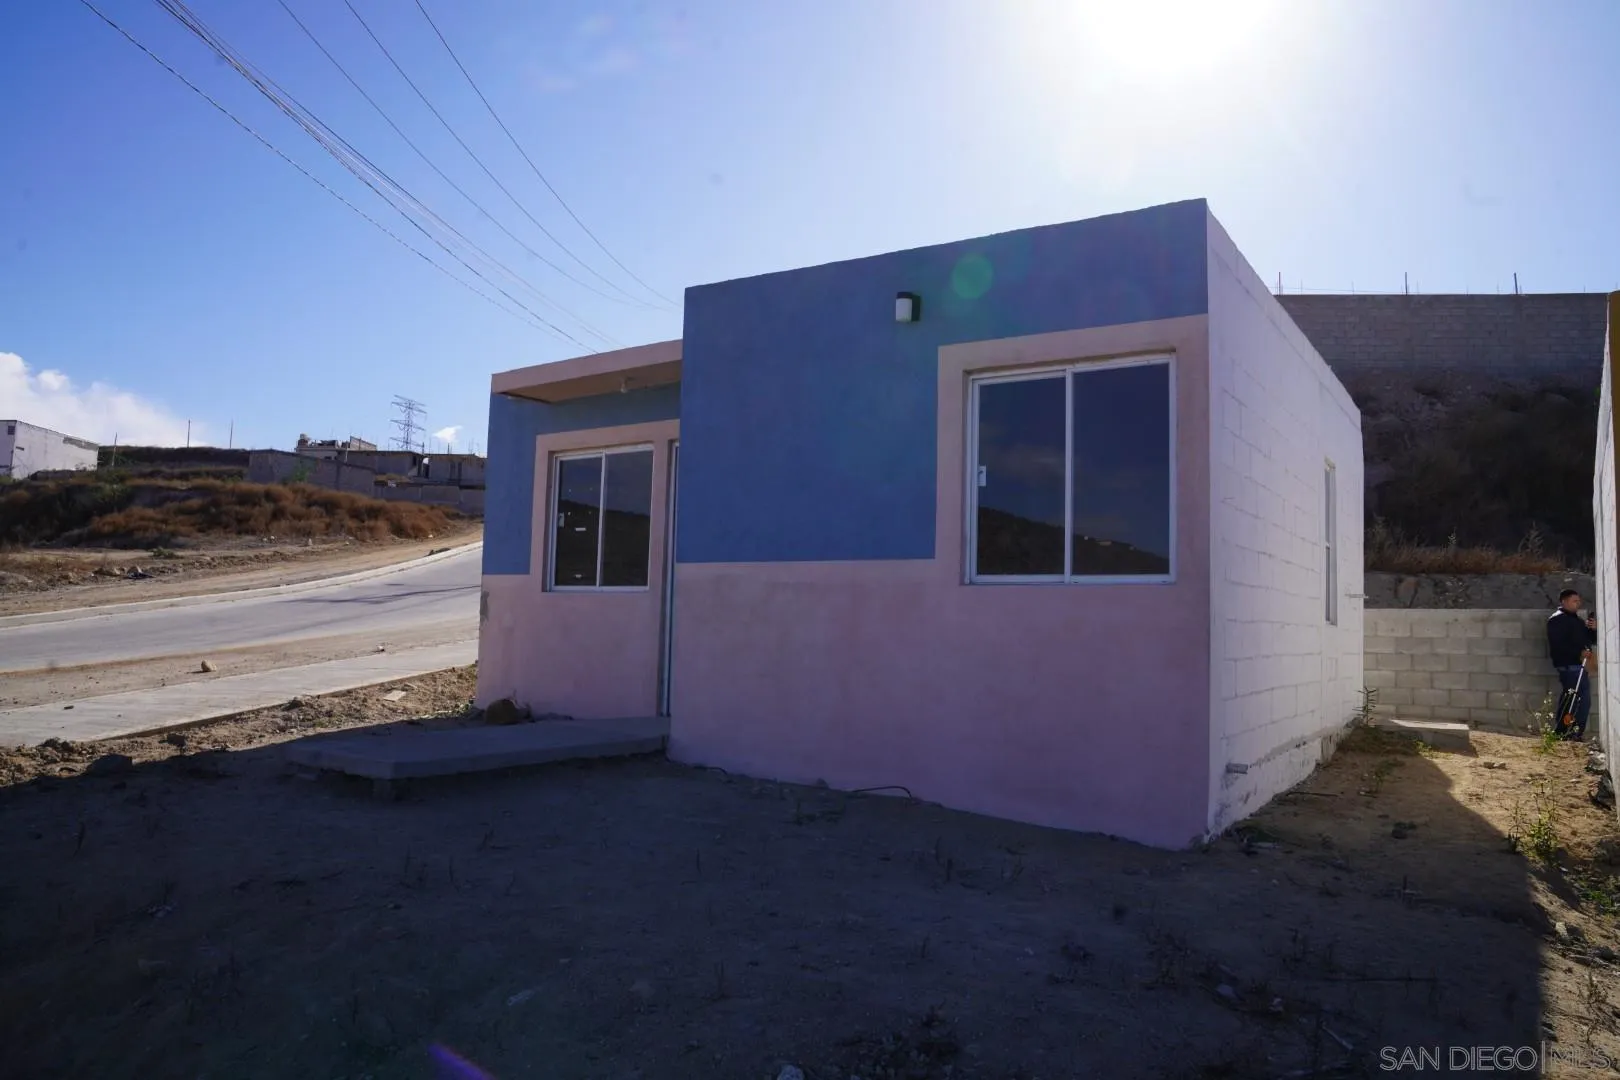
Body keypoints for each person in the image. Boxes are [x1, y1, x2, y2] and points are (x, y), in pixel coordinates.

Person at [1546, 589, 1597, 740]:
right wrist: (1578, 653)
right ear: (1564, 601)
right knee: (1575, 701)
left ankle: (1569, 733)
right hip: (1569, 667)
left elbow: (1589, 641)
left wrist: (1593, 630)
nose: (1578, 604)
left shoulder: (1577, 621)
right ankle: (1567, 733)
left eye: (1579, 601)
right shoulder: (1557, 620)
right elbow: (1558, 644)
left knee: (1576, 701)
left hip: (1579, 666)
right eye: (1575, 601)